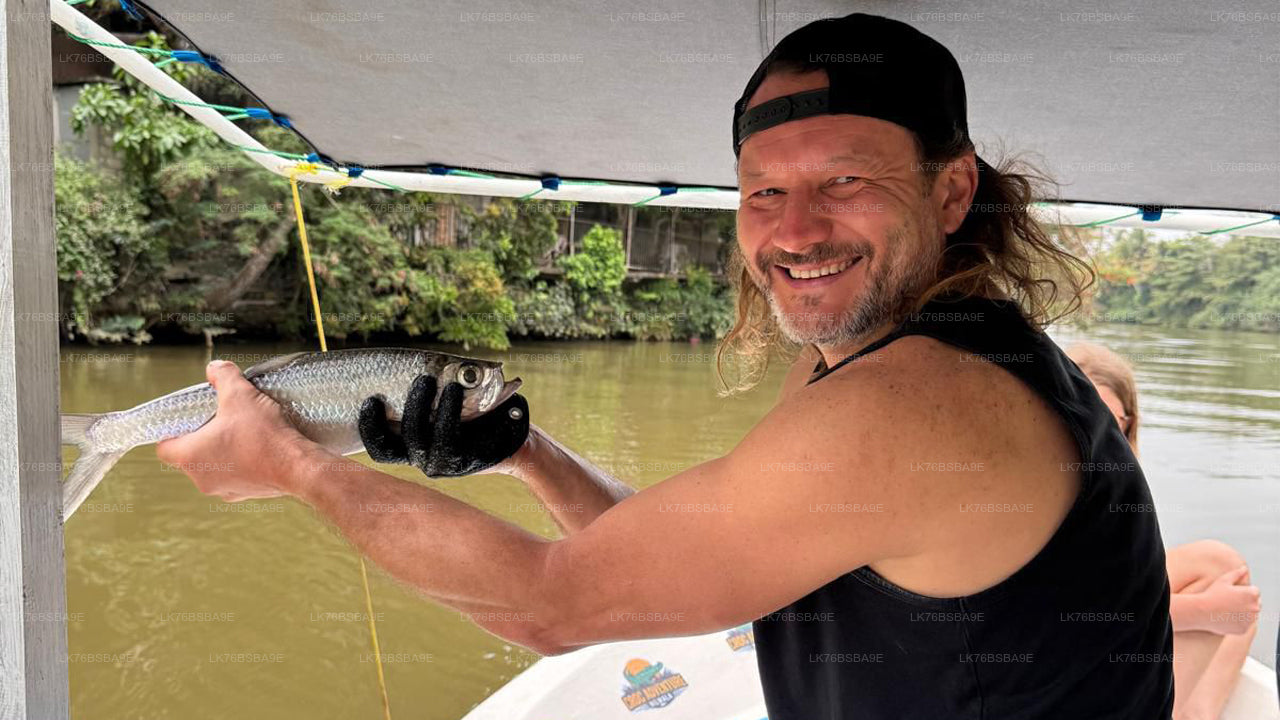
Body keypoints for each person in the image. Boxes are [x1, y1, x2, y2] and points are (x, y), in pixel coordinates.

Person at [155, 13, 1175, 719]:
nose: (794, 230)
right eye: (762, 192)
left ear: (950, 192)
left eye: (843, 181)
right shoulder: (872, 360)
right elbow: (687, 562)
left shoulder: (920, 402)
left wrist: (291, 465)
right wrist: (524, 452)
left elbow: (546, 604)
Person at [1067, 342, 1261, 720]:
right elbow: (1071, 614)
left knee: (1236, 592)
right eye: (1087, 415)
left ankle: (1197, 713)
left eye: (1111, 422)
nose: (1098, 434)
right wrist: (1206, 610)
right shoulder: (1049, 493)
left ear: (1128, 425)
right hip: (1065, 663)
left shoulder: (1113, 490)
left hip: (1097, 645)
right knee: (1220, 572)